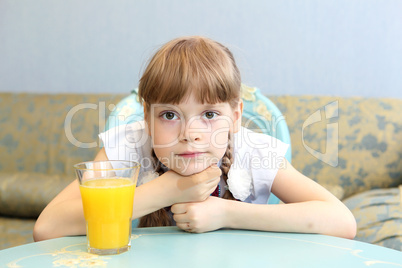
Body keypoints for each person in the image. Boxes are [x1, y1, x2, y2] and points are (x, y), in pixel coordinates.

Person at [33, 36, 356, 241]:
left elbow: (341, 222)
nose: (191, 134)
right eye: (169, 115)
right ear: (146, 117)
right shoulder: (129, 147)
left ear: (236, 116)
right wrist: (161, 192)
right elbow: (47, 228)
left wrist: (228, 213)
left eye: (210, 115)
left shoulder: (252, 152)